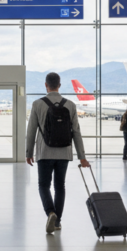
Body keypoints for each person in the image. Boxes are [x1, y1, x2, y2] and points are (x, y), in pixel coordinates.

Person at [26, 72, 90, 234]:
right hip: (64, 152)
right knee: (60, 186)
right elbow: (76, 132)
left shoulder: (37, 104)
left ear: (46, 85)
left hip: (44, 152)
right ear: (59, 85)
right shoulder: (70, 105)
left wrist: (29, 152)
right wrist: (82, 157)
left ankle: (50, 213)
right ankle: (57, 222)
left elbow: (31, 131)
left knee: (43, 185)